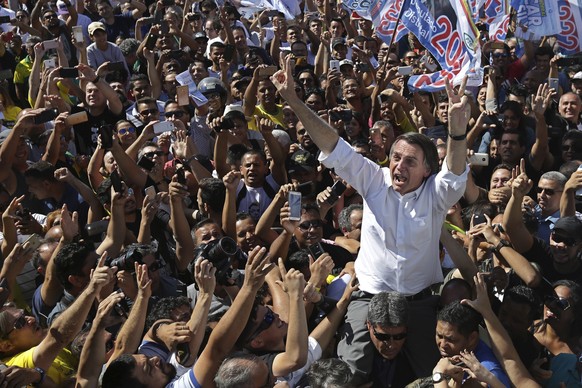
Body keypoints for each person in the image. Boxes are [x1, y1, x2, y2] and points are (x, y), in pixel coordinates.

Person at [270, 57, 470, 382]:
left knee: (433, 376)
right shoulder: (374, 179)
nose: (399, 166)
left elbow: (456, 174)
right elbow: (334, 145)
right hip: (368, 296)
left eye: (410, 161)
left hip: (419, 302)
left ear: (426, 170)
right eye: (395, 157)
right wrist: (292, 99)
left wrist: (457, 131)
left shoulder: (436, 193)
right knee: (348, 375)